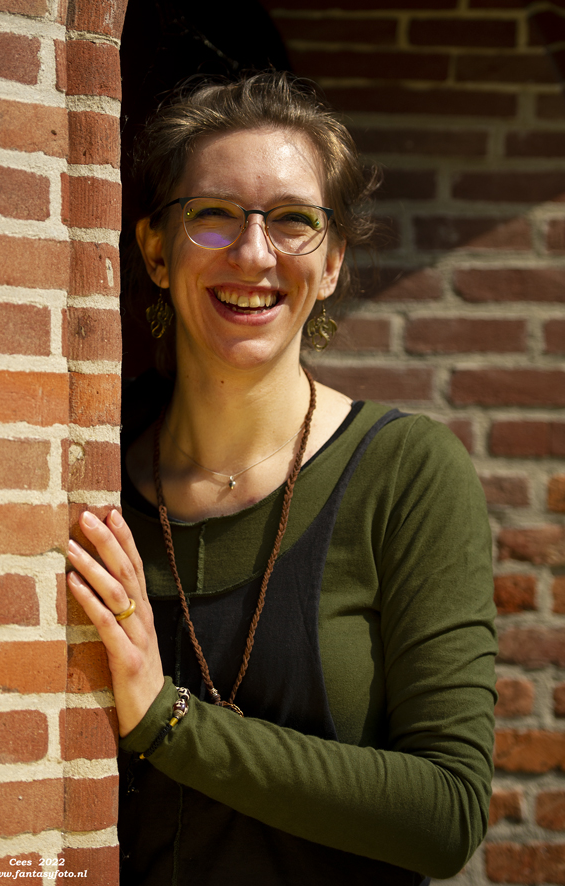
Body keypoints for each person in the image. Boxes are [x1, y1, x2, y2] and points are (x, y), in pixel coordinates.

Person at [66, 72, 497, 886]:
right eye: (214, 215)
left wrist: (168, 722)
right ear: (155, 250)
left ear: (331, 262)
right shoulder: (83, 473)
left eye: (293, 220)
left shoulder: (406, 474)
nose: (254, 253)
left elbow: (446, 817)